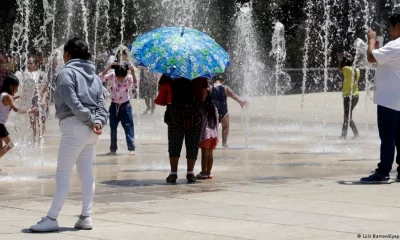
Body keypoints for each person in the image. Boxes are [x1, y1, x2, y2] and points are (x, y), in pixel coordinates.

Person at [29, 38, 108, 232]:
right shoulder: (95, 77)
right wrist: (97, 121)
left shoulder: (66, 73)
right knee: (87, 174)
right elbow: (102, 103)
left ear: (68, 54)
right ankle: (86, 216)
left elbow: (72, 102)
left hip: (75, 127)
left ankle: (52, 218)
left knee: (63, 174)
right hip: (91, 132)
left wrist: (90, 119)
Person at [361, 14, 400, 184]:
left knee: (387, 137)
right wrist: (376, 48)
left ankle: (383, 171)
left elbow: (371, 58)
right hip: (397, 99)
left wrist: (371, 41)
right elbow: (382, 61)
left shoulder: (395, 45)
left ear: (398, 26)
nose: (389, 30)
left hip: (388, 100)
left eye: (391, 27)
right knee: (399, 137)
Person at [165, 76, 208, 184]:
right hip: (195, 113)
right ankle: (190, 173)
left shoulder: (171, 71)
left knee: (174, 143)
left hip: (175, 112)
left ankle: (173, 173)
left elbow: (162, 89)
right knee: (193, 143)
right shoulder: (200, 73)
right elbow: (204, 93)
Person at [99, 62, 138, 156]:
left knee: (128, 127)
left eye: (122, 77)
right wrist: (108, 68)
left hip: (125, 106)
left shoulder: (128, 78)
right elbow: (99, 78)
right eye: (119, 77)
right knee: (113, 127)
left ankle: (131, 148)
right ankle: (113, 149)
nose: (120, 79)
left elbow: (135, 85)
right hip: (114, 106)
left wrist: (133, 71)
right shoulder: (112, 76)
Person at [0, 75, 37, 164]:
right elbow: (17, 109)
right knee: (10, 144)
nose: (17, 90)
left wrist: (21, 95)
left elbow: (11, 99)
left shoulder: (2, 95)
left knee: (0, 148)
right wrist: (30, 110)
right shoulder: (8, 97)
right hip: (0, 124)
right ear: (11, 86)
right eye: (16, 87)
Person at [210, 75, 248, 148]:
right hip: (224, 111)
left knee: (213, 128)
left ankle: (212, 144)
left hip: (213, 111)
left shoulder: (210, 88)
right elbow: (234, 96)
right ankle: (224, 143)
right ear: (223, 81)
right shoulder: (225, 88)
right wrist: (241, 102)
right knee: (226, 127)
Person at [26, 55, 49, 143]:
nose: (28, 65)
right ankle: (34, 138)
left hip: (41, 100)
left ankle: (41, 136)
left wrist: (43, 99)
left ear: (36, 64)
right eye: (28, 63)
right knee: (32, 120)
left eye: (30, 63)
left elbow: (45, 89)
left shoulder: (42, 75)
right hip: (31, 101)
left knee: (42, 120)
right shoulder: (26, 75)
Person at [196, 92, 219, 179]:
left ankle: (203, 173)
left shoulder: (202, 108)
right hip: (214, 134)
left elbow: (199, 121)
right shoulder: (214, 108)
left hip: (205, 134)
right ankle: (208, 172)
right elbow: (217, 122)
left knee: (204, 153)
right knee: (210, 153)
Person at [338, 52, 360, 139]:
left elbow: (339, 68)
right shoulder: (357, 69)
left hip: (348, 96)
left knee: (347, 116)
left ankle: (347, 134)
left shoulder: (347, 69)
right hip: (356, 95)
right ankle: (349, 134)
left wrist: (342, 59)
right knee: (348, 115)